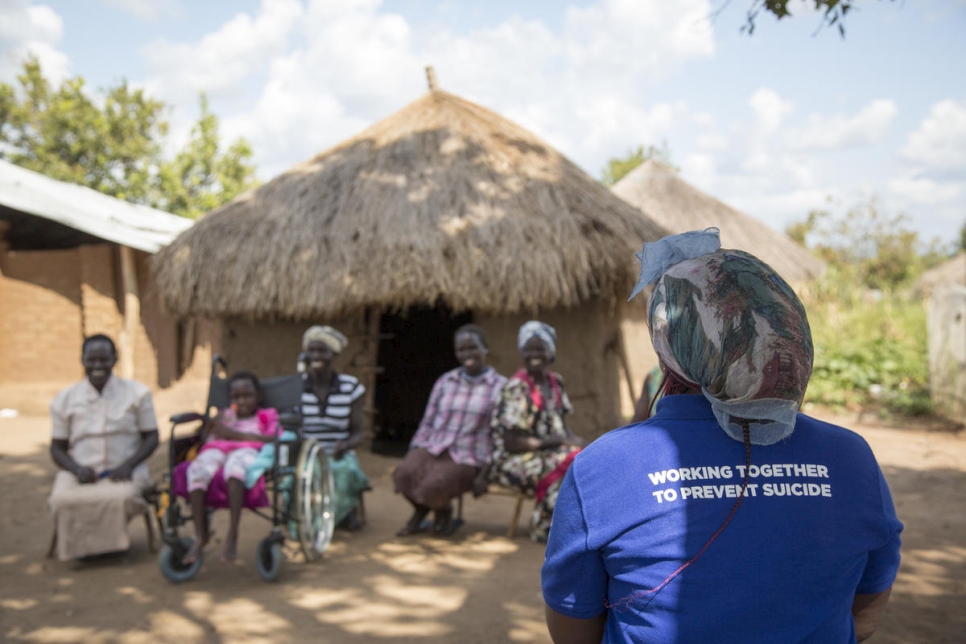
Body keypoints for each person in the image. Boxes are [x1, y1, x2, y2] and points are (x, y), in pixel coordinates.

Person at [542, 228, 903, 643]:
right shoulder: (850, 458)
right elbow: (866, 615)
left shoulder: (605, 467)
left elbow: (573, 631)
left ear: (668, 350)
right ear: (791, 331)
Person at [48, 334, 160, 561]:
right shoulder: (65, 399)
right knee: (61, 499)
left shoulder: (137, 394)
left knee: (122, 497)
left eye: (104, 360)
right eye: (92, 360)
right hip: (81, 473)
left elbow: (152, 437)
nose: (98, 366)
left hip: (124, 472)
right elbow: (57, 448)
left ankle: (108, 548)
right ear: (83, 360)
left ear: (114, 359)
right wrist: (77, 469)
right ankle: (82, 548)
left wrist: (128, 466)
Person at [393, 324, 507, 537]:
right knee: (403, 475)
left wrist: (486, 472)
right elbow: (428, 421)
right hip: (435, 445)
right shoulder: (446, 381)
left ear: (485, 348)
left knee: (434, 486)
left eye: (472, 348)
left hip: (469, 455)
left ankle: (439, 511)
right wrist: (414, 450)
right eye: (460, 350)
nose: (466, 355)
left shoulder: (500, 387)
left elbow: (499, 435)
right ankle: (426, 511)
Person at [489, 320, 587, 543]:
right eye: (529, 349)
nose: (534, 354)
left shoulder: (556, 382)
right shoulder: (517, 388)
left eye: (540, 349)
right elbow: (511, 443)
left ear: (550, 352)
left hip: (547, 453)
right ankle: (543, 526)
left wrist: (574, 444)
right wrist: (561, 440)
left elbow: (561, 424)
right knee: (567, 463)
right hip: (512, 461)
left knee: (582, 458)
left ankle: (567, 522)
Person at [182, 372, 279, 564]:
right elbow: (207, 439)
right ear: (230, 399)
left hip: (247, 450)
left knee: (235, 470)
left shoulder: (266, 416)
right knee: (197, 470)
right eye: (236, 397)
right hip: (217, 449)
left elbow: (272, 438)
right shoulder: (226, 416)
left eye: (247, 396)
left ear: (258, 395)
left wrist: (233, 434)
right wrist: (211, 426)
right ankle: (201, 535)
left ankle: (232, 533)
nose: (241, 401)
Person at [299, 325, 369, 531]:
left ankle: (340, 514)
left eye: (322, 351)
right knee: (300, 475)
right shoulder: (296, 386)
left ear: (334, 354)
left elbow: (358, 433)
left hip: (339, 453)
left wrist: (345, 445)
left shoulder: (351, 387)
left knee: (343, 471)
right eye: (311, 351)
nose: (316, 356)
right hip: (307, 453)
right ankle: (310, 517)